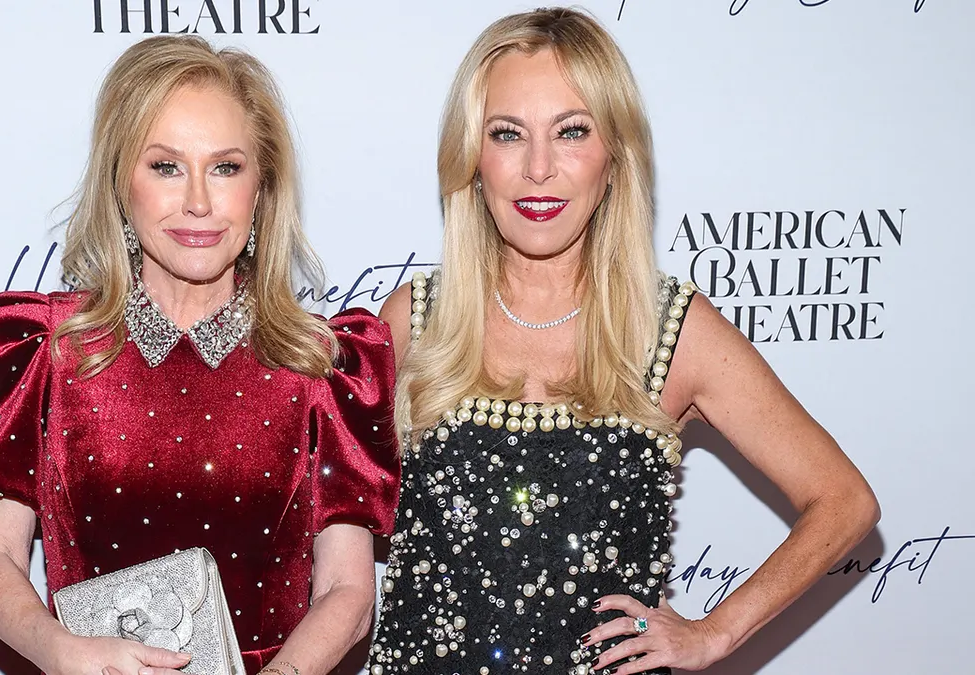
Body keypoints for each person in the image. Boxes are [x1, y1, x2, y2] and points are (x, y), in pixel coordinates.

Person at [367, 8, 879, 675]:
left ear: (614, 156)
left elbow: (845, 501)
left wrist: (715, 632)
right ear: (473, 158)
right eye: (507, 134)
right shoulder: (414, 319)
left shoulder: (672, 328)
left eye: (571, 131)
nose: (539, 168)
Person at [0, 35, 400, 675]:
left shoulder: (326, 367)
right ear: (121, 183)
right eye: (166, 166)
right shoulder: (46, 353)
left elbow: (348, 592)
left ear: (263, 188)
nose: (198, 201)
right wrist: (61, 651)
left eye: (226, 167)